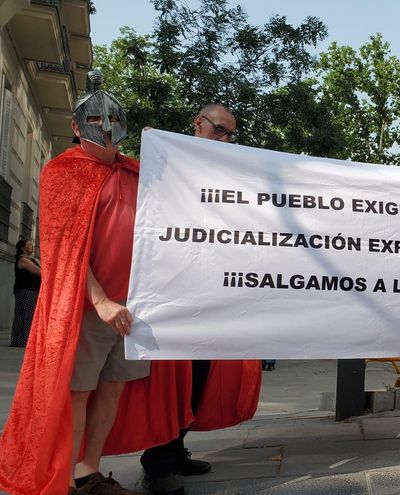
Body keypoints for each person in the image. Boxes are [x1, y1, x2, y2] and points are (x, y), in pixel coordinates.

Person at [0, 69, 150, 495]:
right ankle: (63, 478)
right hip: (87, 307)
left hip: (136, 305)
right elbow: (63, 249)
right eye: (95, 120)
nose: (105, 127)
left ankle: (88, 472)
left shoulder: (138, 173)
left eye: (112, 119)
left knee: (113, 389)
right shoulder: (62, 172)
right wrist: (100, 301)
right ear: (76, 126)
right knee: (78, 392)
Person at [104, 102, 261, 495]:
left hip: (209, 290)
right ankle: (157, 465)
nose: (225, 139)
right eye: (220, 130)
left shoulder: (226, 173)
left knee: (199, 378)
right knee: (169, 381)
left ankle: (175, 451)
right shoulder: (165, 164)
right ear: (198, 124)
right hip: (169, 292)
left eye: (230, 134)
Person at [11, 238, 41, 347]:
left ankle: (21, 341)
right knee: (24, 316)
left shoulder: (31, 259)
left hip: (32, 290)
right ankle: (21, 341)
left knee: (27, 316)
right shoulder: (22, 259)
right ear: (23, 248)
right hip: (25, 291)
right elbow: (39, 271)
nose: (31, 246)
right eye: (29, 245)